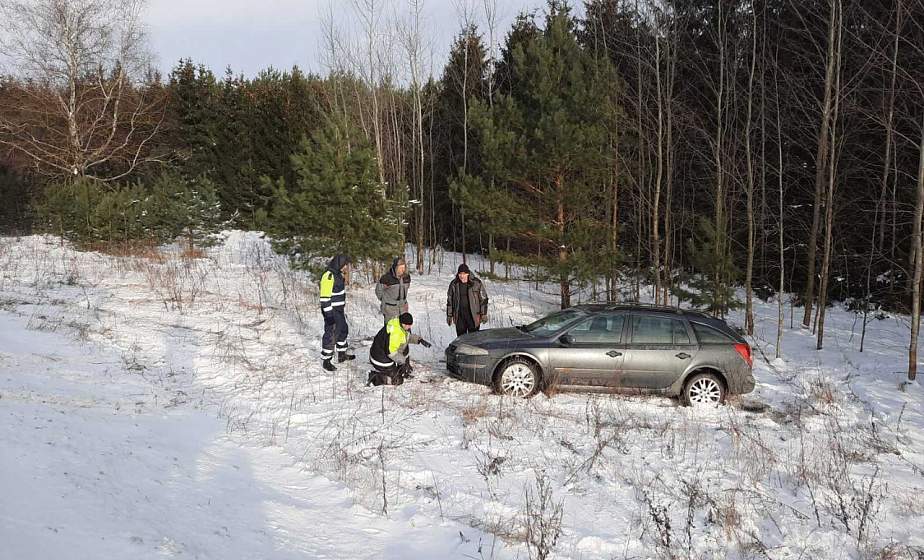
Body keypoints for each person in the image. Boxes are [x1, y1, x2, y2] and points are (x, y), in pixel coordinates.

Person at [368, 312, 431, 386]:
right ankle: (375, 378)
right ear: (404, 324)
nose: (410, 327)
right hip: (380, 360)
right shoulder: (395, 333)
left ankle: (401, 370)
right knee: (397, 380)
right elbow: (391, 353)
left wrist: (419, 340)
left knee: (405, 349)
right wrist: (403, 361)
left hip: (384, 354)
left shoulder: (399, 324)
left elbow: (405, 337)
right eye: (409, 325)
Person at [319, 254, 355, 371]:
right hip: (332, 311)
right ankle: (326, 360)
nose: (346, 267)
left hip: (339, 310)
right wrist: (329, 316)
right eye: (345, 265)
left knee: (343, 330)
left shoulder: (338, 274)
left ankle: (341, 355)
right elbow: (324, 298)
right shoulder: (328, 276)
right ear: (339, 264)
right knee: (331, 334)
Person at [446, 263, 489, 336]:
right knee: (461, 338)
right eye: (460, 274)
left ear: (468, 274)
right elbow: (450, 301)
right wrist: (449, 315)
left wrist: (483, 314)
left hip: (473, 315)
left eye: (464, 274)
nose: (462, 276)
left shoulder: (476, 283)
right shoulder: (454, 284)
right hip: (460, 316)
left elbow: (484, 299)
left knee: (473, 338)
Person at [375, 257, 411, 323]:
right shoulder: (386, 278)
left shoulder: (407, 277)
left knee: (404, 330)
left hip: (403, 309)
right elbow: (378, 291)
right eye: (400, 268)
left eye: (404, 267)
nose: (403, 269)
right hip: (390, 310)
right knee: (390, 331)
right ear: (395, 268)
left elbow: (406, 289)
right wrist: (386, 302)